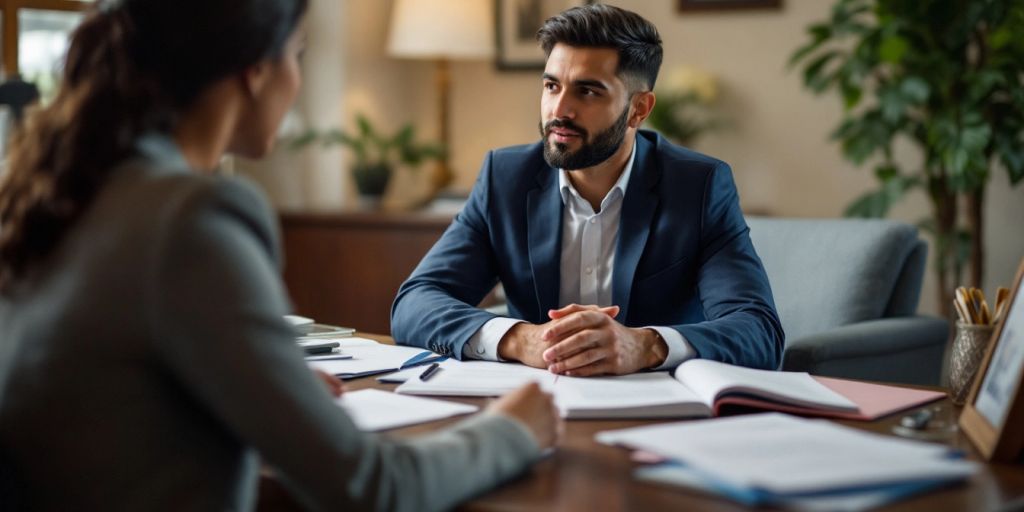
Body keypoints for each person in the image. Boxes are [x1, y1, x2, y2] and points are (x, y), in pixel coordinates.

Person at [0, 1, 558, 510]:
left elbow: (110, 393)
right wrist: (511, 430)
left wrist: (257, 386)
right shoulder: (192, 217)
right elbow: (372, 486)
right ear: (256, 71)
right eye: (298, 56)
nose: (297, 78)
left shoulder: (57, 191)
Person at [392, 4, 784, 377]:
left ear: (639, 109)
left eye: (588, 91)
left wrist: (645, 346)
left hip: (659, 412)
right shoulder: (505, 178)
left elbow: (759, 332)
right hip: (537, 402)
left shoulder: (697, 187)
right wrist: (519, 338)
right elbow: (414, 304)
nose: (560, 109)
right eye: (551, 85)